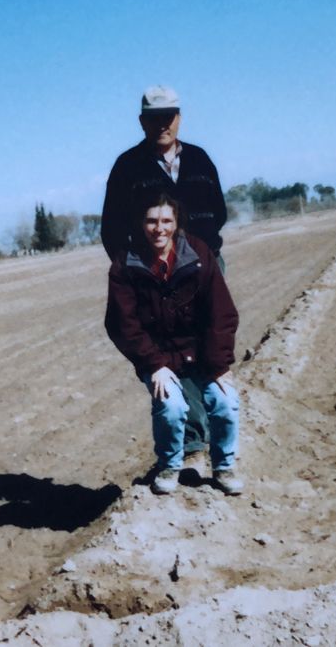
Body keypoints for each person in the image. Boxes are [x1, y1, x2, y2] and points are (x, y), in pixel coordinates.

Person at [101, 85, 229, 458]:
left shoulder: (201, 161)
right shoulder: (128, 167)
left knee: (206, 343)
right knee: (168, 350)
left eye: (169, 115)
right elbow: (111, 229)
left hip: (203, 270)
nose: (162, 123)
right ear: (142, 121)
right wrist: (134, 270)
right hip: (155, 278)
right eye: (154, 117)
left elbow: (217, 213)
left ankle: (207, 435)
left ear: (179, 117)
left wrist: (209, 257)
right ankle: (188, 443)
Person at [105, 192, 243, 496]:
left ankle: (224, 467)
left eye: (166, 220)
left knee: (226, 403)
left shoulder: (198, 253)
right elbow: (122, 324)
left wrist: (219, 365)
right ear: (141, 224)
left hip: (203, 353)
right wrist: (154, 365)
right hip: (158, 358)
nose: (159, 228)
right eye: (151, 221)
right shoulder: (126, 265)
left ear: (177, 223)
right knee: (170, 406)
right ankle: (169, 465)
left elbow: (222, 313)